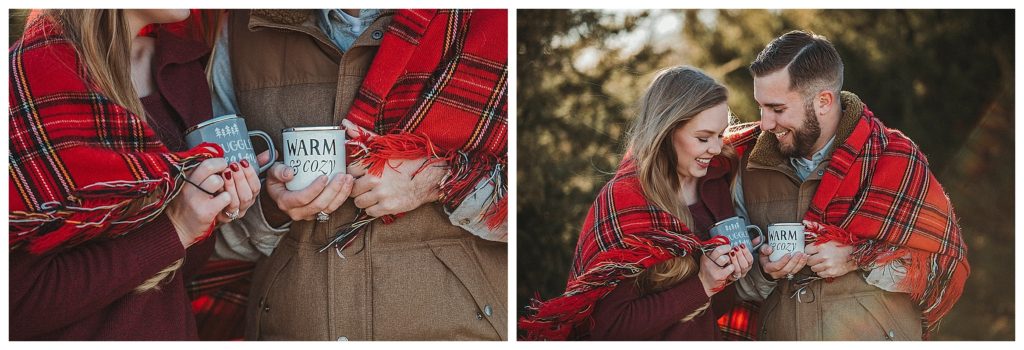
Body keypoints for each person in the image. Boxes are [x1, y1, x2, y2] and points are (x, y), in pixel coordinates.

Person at [208, 9, 508, 340]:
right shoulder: (242, 26)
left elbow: (531, 208)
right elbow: (209, 216)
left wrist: (436, 180)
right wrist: (272, 206)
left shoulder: (493, 21)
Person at [9, 9, 258, 340]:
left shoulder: (181, 70)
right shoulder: (26, 80)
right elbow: (18, 305)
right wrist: (177, 228)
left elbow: (178, 277)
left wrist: (211, 212)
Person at [733, 30, 970, 340]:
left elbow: (943, 269)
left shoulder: (895, 157)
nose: (764, 123)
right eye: (761, 107)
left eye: (777, 110)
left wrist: (857, 256)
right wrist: (764, 272)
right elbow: (731, 281)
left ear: (823, 101)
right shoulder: (744, 164)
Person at [519, 66, 757, 340]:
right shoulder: (626, 201)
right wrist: (701, 284)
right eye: (703, 138)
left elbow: (707, 314)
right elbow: (607, 329)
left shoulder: (716, 183)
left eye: (720, 135)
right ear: (666, 132)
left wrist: (731, 277)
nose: (716, 149)